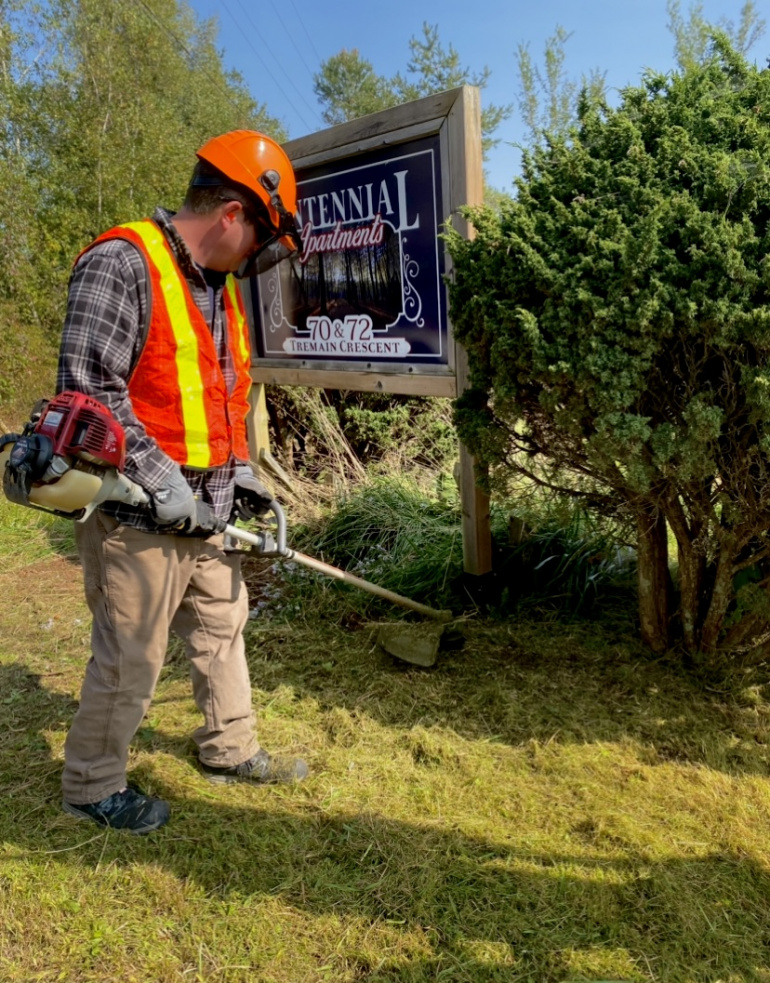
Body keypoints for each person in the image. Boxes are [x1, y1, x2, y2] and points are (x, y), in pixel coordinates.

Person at [57, 130, 308, 835]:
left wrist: (242, 476)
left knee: (222, 626)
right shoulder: (123, 264)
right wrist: (163, 479)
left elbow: (214, 401)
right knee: (133, 650)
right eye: (260, 234)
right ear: (231, 213)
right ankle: (91, 782)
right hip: (137, 515)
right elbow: (88, 394)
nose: (258, 254)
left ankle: (230, 747)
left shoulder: (216, 290)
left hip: (207, 512)